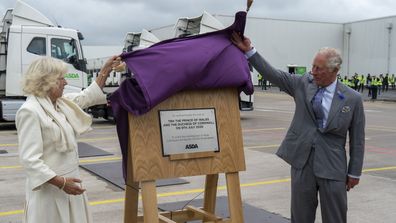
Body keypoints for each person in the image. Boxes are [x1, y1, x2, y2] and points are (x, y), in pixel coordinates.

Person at [231, 33, 365, 223]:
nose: (314, 71)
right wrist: (250, 52)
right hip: (302, 162)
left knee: (335, 217)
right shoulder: (303, 83)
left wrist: (354, 172)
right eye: (313, 66)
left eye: (319, 69)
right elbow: (275, 75)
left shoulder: (352, 99)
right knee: (301, 217)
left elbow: (358, 140)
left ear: (334, 70)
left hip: (333, 166)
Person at [16, 56, 119, 223]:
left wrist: (105, 71)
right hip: (50, 191)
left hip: (70, 185)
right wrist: (62, 183)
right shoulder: (30, 111)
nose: (65, 82)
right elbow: (30, 161)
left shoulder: (60, 103)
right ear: (47, 81)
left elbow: (89, 96)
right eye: (61, 78)